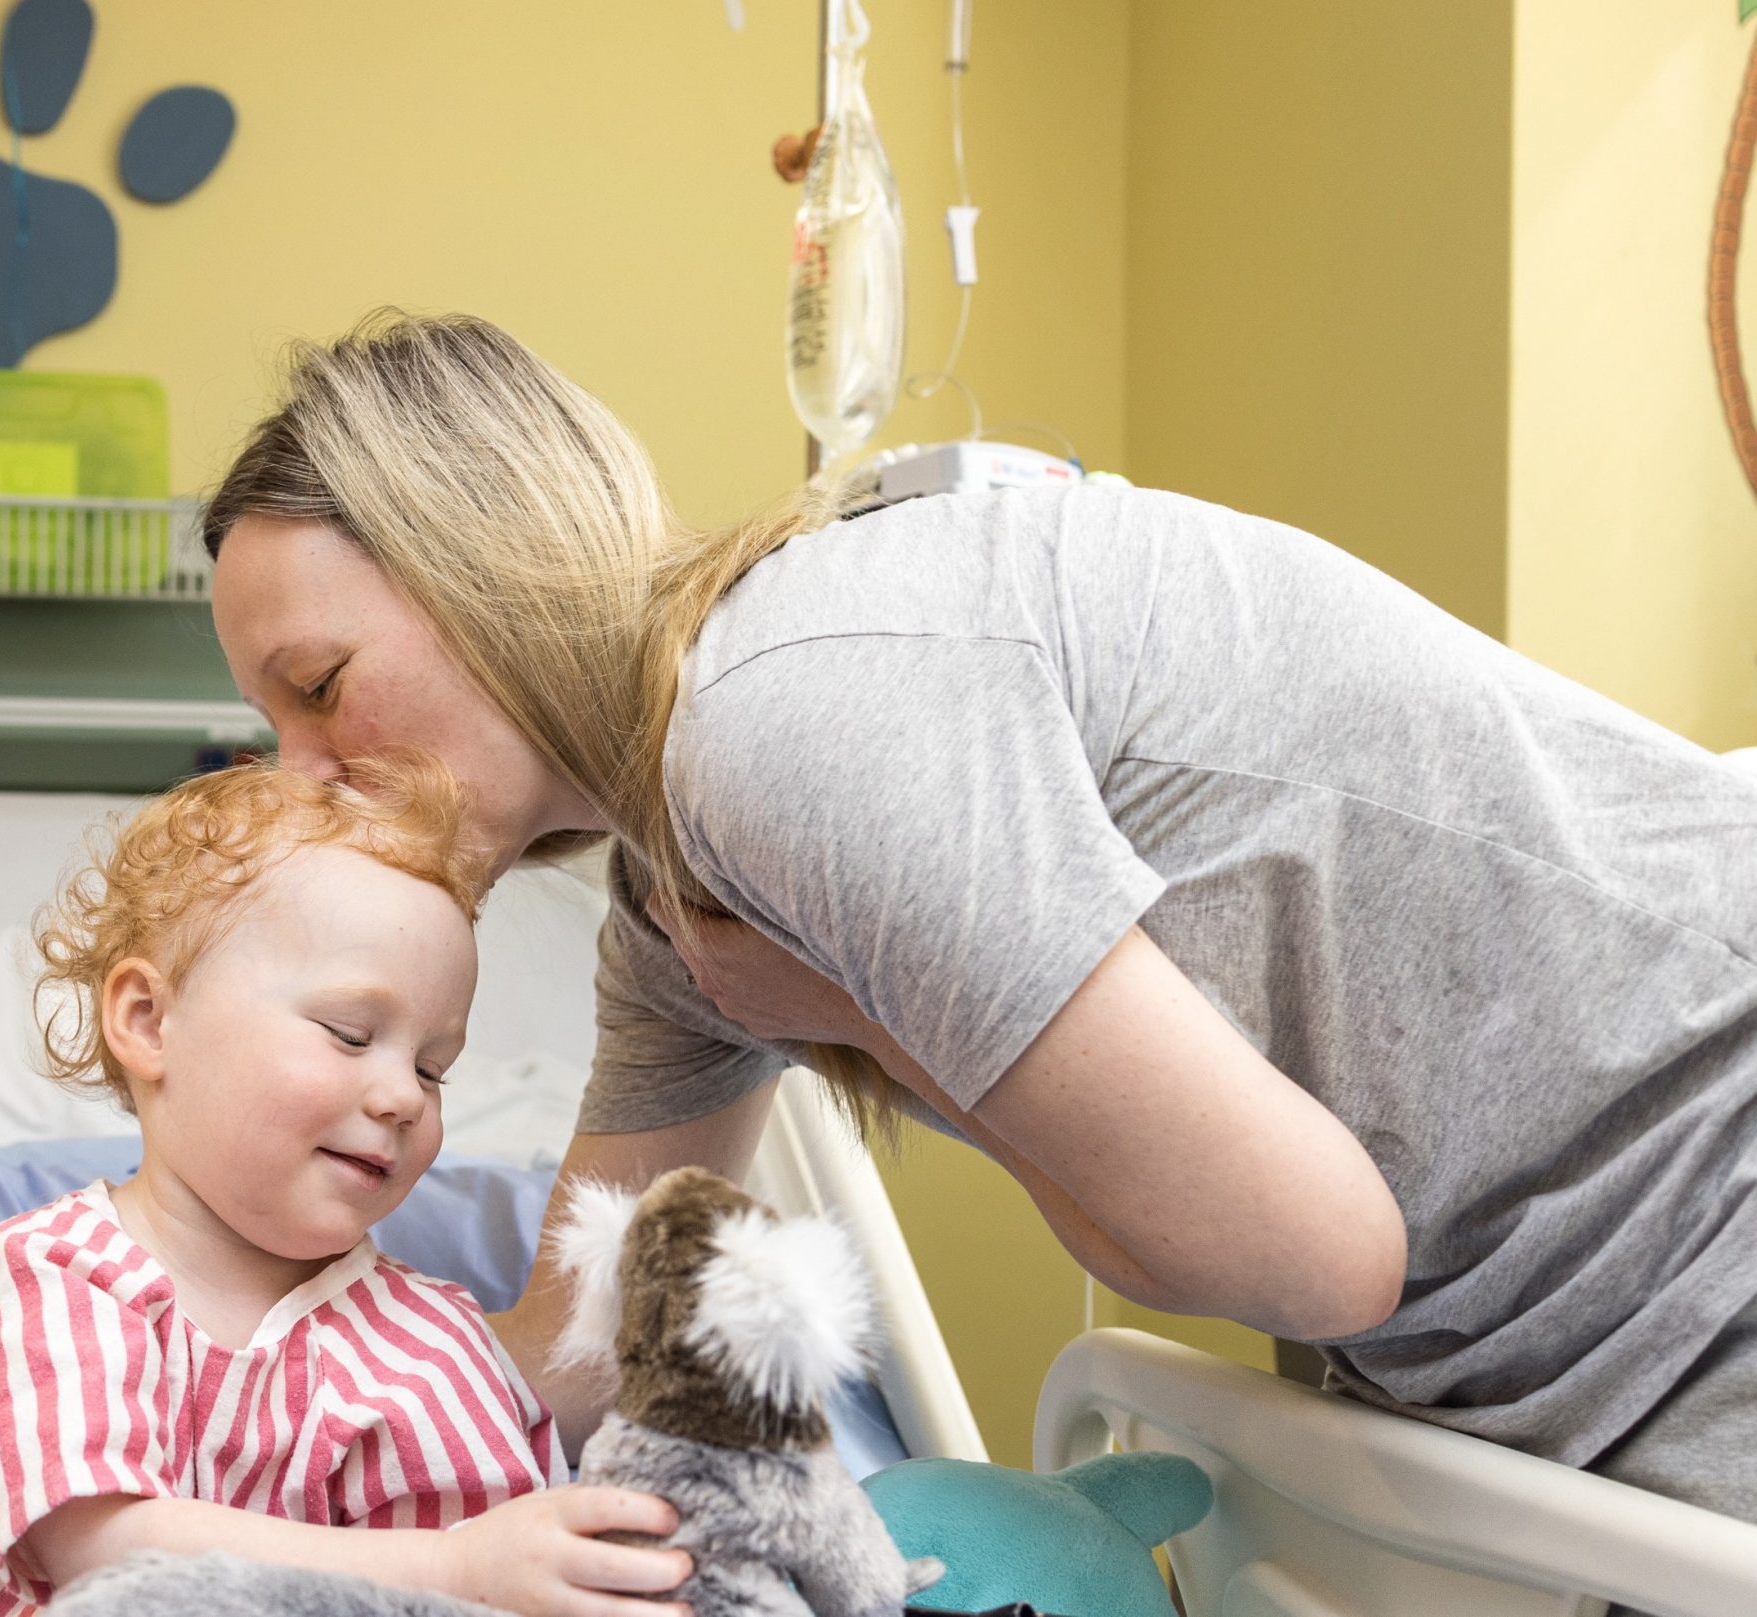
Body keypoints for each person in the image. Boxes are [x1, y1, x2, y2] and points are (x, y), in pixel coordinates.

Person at [201, 310, 1757, 1526]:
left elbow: (1315, 1253)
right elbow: (587, 1330)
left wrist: (855, 1015)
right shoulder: (681, 908)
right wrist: (235, 1443)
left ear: (480, 560)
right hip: (1575, 1351)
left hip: (1705, 1187)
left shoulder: (787, 716)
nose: (307, 773)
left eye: (319, 688)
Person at [0, 759, 697, 1617]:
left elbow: (501, 1580)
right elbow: (101, 1554)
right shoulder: (50, 1275)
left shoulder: (432, 1343)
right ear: (148, 1020)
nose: (403, 1096)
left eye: (434, 1069)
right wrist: (455, 1562)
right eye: (350, 1033)